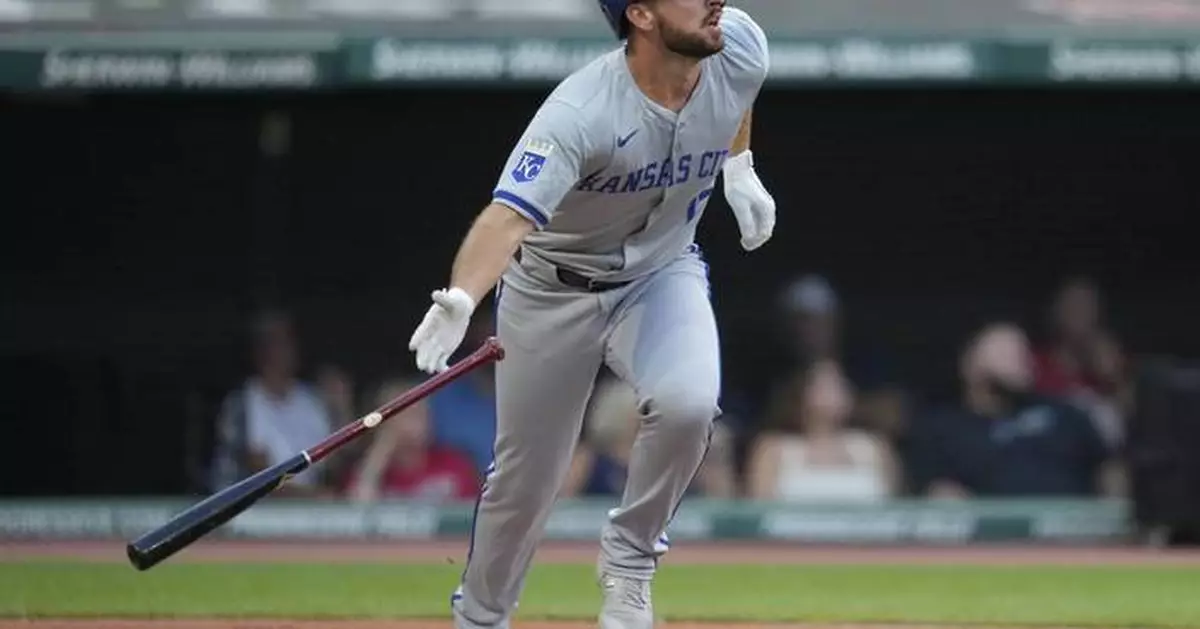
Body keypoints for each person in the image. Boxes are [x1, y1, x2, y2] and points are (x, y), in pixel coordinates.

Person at [405, 1, 774, 627]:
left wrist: (739, 165)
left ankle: (629, 563)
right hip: (552, 291)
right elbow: (507, 215)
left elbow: (738, 94)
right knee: (527, 483)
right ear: (642, 15)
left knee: (688, 403)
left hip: (661, 272)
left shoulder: (738, 43)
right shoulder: (580, 111)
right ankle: (482, 616)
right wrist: (464, 296)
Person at [746, 360, 897, 502]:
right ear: (802, 393)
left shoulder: (872, 448)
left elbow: (892, 506)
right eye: (825, 385)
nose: (837, 391)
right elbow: (759, 512)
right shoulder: (773, 449)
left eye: (840, 384)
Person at [343, 378, 480, 504]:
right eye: (410, 412)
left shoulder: (454, 463)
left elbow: (474, 517)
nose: (421, 419)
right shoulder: (371, 470)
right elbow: (356, 513)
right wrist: (381, 451)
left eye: (423, 411)